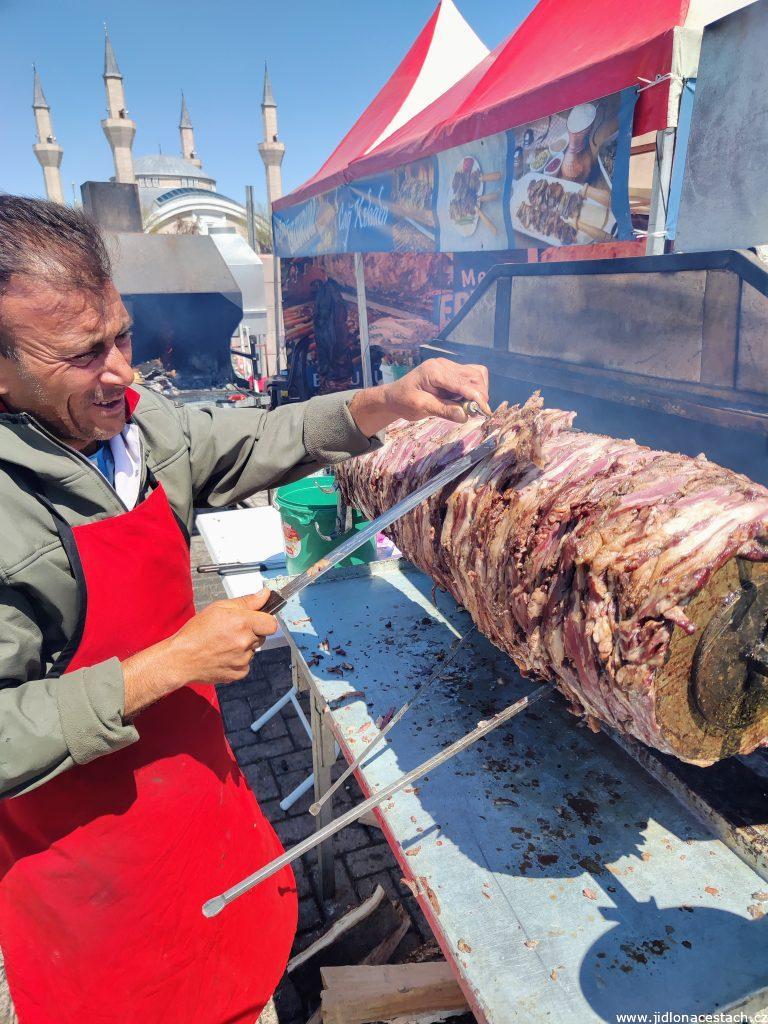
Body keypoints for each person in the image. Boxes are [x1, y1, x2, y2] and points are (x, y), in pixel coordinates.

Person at [0, 196, 491, 1024]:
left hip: (202, 808)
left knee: (241, 968)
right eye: (84, 354)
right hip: (93, 880)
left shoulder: (135, 426)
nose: (122, 370)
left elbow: (256, 440)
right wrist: (170, 663)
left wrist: (391, 400)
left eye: (121, 333)